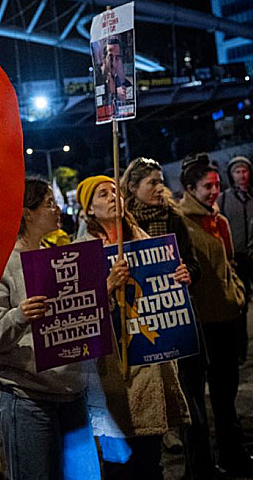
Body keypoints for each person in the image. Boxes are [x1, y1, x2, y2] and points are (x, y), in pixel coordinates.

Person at [76, 176, 190, 479]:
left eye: (115, 191)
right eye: (102, 194)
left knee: (152, 460)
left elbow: (164, 295)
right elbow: (76, 314)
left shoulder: (143, 240)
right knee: (120, 464)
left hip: (150, 365)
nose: (113, 196)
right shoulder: (81, 251)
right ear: (89, 210)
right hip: (111, 371)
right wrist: (108, 286)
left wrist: (178, 278)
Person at [0, 177, 99, 480]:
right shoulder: (3, 265)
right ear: (27, 213)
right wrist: (19, 315)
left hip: (74, 394)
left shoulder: (60, 256)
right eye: (49, 203)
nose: (58, 209)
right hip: (29, 401)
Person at [120, 157, 213, 478]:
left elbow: (194, 264)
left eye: (161, 181)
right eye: (152, 183)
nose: (160, 188)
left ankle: (201, 468)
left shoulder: (174, 220)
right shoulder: (121, 229)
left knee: (193, 405)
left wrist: (188, 273)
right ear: (132, 187)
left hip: (178, 323)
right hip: (142, 334)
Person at [178, 153, 253, 477]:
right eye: (206, 186)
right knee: (197, 401)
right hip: (200, 322)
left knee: (226, 394)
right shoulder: (180, 221)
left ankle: (231, 451)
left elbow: (229, 265)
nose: (214, 191)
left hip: (227, 316)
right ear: (189, 188)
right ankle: (203, 463)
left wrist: (237, 293)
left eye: (215, 185)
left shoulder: (219, 219)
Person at [217, 156, 253, 363]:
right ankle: (240, 351)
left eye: (244, 171)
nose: (242, 176)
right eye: (237, 172)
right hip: (236, 260)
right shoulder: (223, 199)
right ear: (231, 176)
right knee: (239, 307)